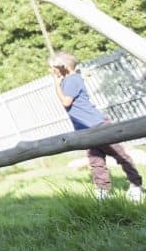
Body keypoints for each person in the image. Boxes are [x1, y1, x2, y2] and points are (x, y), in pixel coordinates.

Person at [48, 51, 143, 203]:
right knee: (96, 161)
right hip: (86, 129)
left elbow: (66, 102)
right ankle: (102, 192)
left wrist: (55, 82)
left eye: (52, 68)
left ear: (62, 67)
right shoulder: (71, 79)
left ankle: (136, 186)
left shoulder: (71, 80)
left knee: (120, 156)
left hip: (98, 126)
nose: (51, 71)